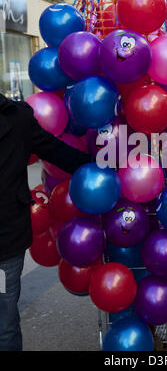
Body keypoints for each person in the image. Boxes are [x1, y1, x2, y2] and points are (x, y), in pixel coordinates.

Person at [0, 93, 93, 351]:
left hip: (4, 243)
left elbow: (58, 153)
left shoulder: (16, 118)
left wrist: (103, 166)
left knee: (3, 324)